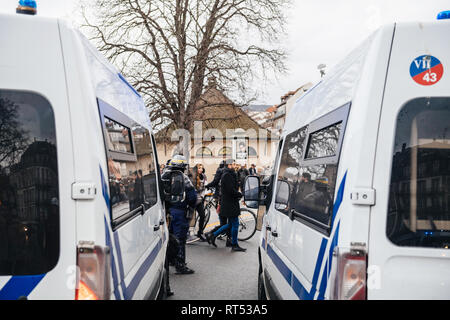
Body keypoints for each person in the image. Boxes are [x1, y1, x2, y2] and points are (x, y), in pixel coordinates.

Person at [161, 155, 197, 274]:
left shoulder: (164, 176)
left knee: (170, 237)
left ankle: (171, 260)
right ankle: (180, 265)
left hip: (167, 211)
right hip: (180, 212)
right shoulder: (184, 178)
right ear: (182, 167)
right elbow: (192, 197)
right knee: (180, 238)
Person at [206, 159, 246, 252]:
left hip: (229, 202)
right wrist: (239, 194)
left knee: (230, 224)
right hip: (229, 202)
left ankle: (213, 235)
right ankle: (234, 244)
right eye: (233, 164)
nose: (235, 165)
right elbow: (230, 190)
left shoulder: (229, 174)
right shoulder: (227, 175)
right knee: (235, 224)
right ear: (229, 165)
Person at [205, 160, 232, 247]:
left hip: (221, 198)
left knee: (225, 222)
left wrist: (208, 185)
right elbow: (216, 183)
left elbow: (215, 182)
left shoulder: (224, 172)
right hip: (222, 199)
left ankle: (211, 234)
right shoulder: (223, 172)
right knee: (226, 222)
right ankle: (212, 234)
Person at [189, 164, 208, 241]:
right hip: (193, 199)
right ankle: (188, 233)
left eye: (202, 168)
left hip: (200, 200)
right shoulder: (192, 176)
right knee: (190, 217)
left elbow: (204, 188)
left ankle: (200, 232)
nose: (201, 169)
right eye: (199, 168)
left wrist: (203, 196)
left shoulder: (204, 176)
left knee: (202, 215)